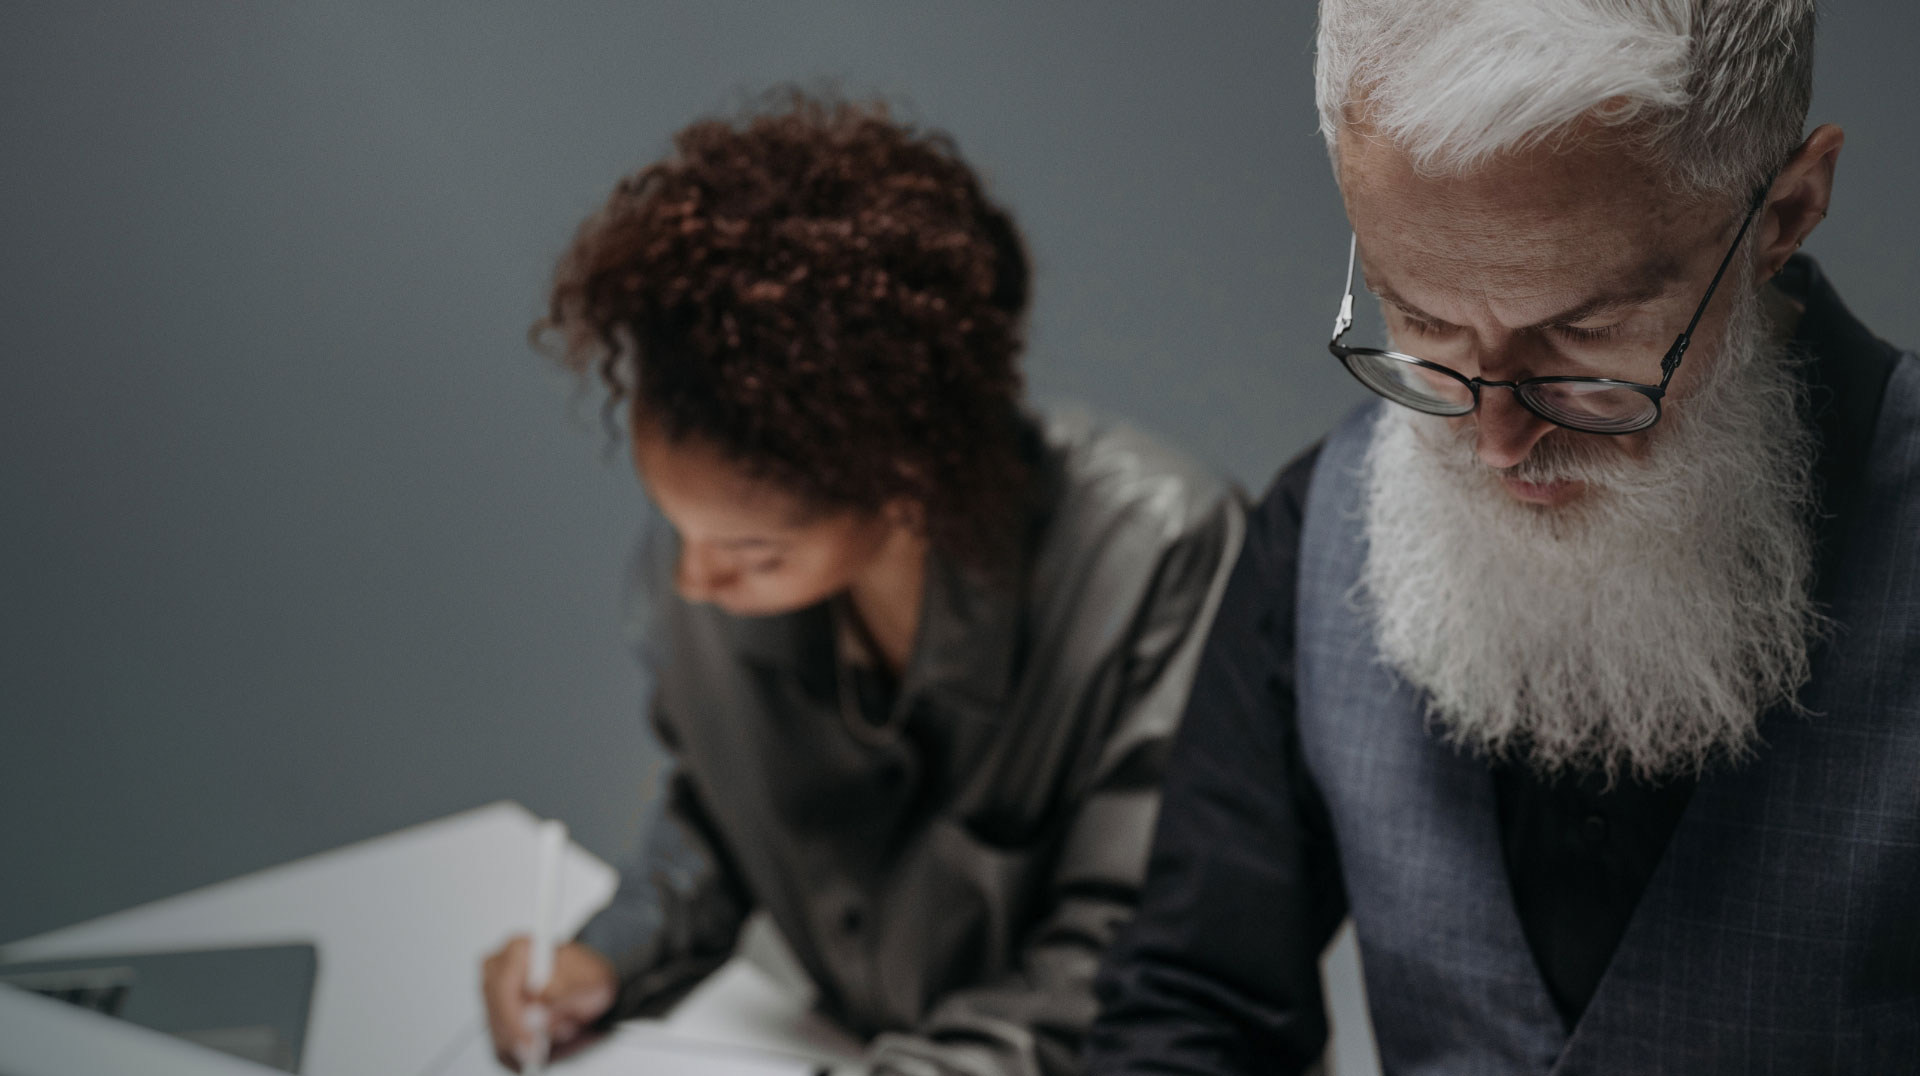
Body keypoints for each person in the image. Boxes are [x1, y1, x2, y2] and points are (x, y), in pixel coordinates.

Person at [1087, 2, 1918, 1072]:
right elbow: (1192, 1008)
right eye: (1423, 321)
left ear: (1786, 212)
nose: (1496, 440)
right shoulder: (1321, 523)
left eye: (1581, 336)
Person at [479, 93, 1242, 1076]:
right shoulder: (714, 551)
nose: (693, 579)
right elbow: (726, 806)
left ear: (904, 481)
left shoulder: (1160, 555)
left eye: (753, 553)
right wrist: (606, 955)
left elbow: (1130, 960)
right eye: (676, 525)